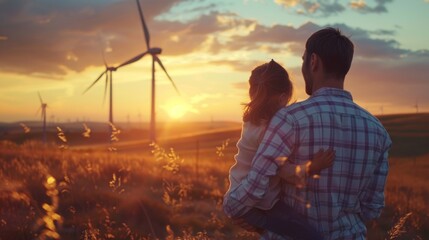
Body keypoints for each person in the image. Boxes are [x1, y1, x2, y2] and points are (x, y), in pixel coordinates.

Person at [223, 28, 392, 240]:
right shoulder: (378, 132)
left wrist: (233, 208)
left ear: (313, 62)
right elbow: (371, 209)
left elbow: (257, 183)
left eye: (303, 60)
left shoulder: (288, 119)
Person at [224, 59, 334, 239]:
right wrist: (313, 166)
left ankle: (264, 225)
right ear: (283, 97)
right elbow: (283, 171)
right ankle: (264, 224)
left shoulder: (251, 122)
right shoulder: (268, 132)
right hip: (259, 203)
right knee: (311, 236)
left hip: (240, 192)